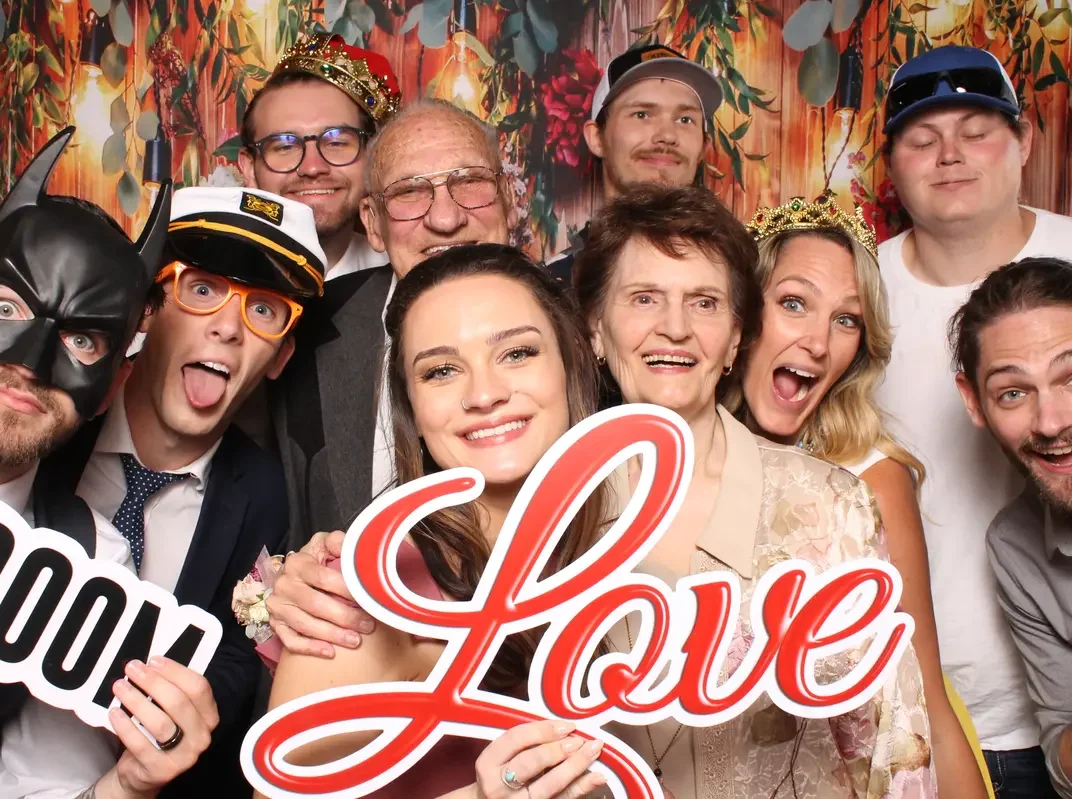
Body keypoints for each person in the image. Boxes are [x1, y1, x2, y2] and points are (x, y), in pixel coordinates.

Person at [263, 186, 938, 797]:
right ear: (592, 332)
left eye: (703, 302)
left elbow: (893, 747)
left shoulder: (828, 507)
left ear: (738, 333)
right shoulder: (412, 569)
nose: (486, 392)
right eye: (644, 298)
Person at [0, 128, 217, 799]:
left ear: (112, 387)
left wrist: (130, 782)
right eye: (6, 309)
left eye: (83, 339)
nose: (28, 363)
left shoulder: (89, 563)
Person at [0, 187, 325, 798]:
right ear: (145, 310)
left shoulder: (269, 499)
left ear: (280, 355)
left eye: (265, 310)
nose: (226, 328)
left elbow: (238, 658)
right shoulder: (38, 422)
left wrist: (174, 715)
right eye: (201, 290)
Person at [257, 244, 607, 799]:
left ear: (571, 364)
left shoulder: (623, 537)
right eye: (441, 370)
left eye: (516, 353)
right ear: (411, 408)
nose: (484, 394)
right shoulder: (365, 590)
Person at [736, 191, 991, 797]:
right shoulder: (672, 462)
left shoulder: (872, 478)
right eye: (793, 303)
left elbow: (926, 693)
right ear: (739, 312)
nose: (819, 343)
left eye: (846, 319)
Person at [875, 44, 1072, 797]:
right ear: (892, 167)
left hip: (1052, 709)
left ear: (1023, 144)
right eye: (922, 139)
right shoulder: (854, 298)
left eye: (977, 130)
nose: (950, 154)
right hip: (918, 713)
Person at [270, 99, 511, 554]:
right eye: (409, 193)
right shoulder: (306, 328)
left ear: (509, 199)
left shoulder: (579, 327)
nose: (446, 219)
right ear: (372, 224)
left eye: (470, 182)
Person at [953, 258, 1072, 799]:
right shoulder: (1015, 547)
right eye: (1013, 393)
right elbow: (1062, 754)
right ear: (975, 402)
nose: (1050, 422)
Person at [546, 44, 722, 283]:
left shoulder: (737, 278)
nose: (667, 135)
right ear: (597, 138)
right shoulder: (552, 288)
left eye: (684, 119)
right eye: (642, 114)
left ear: (704, 147)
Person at [239, 32, 400, 279]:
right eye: (284, 146)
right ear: (249, 168)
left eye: (336, 142)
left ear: (373, 158)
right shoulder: (200, 274)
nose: (313, 168)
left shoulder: (406, 278)